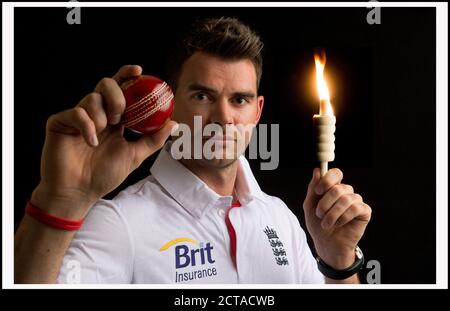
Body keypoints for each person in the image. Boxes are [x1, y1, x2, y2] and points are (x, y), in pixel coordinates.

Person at [14, 17, 371, 284]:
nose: (224, 118)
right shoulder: (120, 223)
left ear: (257, 111)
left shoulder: (279, 218)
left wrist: (339, 261)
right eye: (203, 96)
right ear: (171, 105)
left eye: (240, 100)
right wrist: (60, 201)